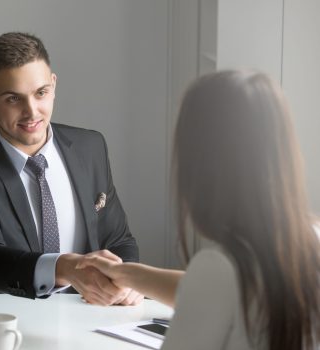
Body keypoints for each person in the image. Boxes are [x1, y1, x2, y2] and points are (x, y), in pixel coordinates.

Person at [77, 70, 320, 349]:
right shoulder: (311, 237)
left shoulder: (220, 267)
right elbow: (207, 289)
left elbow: (213, 285)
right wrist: (128, 274)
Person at [0, 32, 143, 306]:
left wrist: (127, 278)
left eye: (41, 93)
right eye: (13, 99)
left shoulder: (91, 147)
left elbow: (118, 238)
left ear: (53, 85)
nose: (32, 112)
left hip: (86, 314)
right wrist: (64, 268)